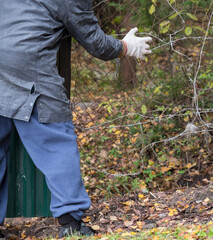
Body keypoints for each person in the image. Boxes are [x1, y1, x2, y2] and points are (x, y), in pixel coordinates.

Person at [0, 0, 152, 238]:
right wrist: (125, 47)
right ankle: (71, 222)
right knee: (57, 142)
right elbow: (94, 41)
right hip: (31, 68)